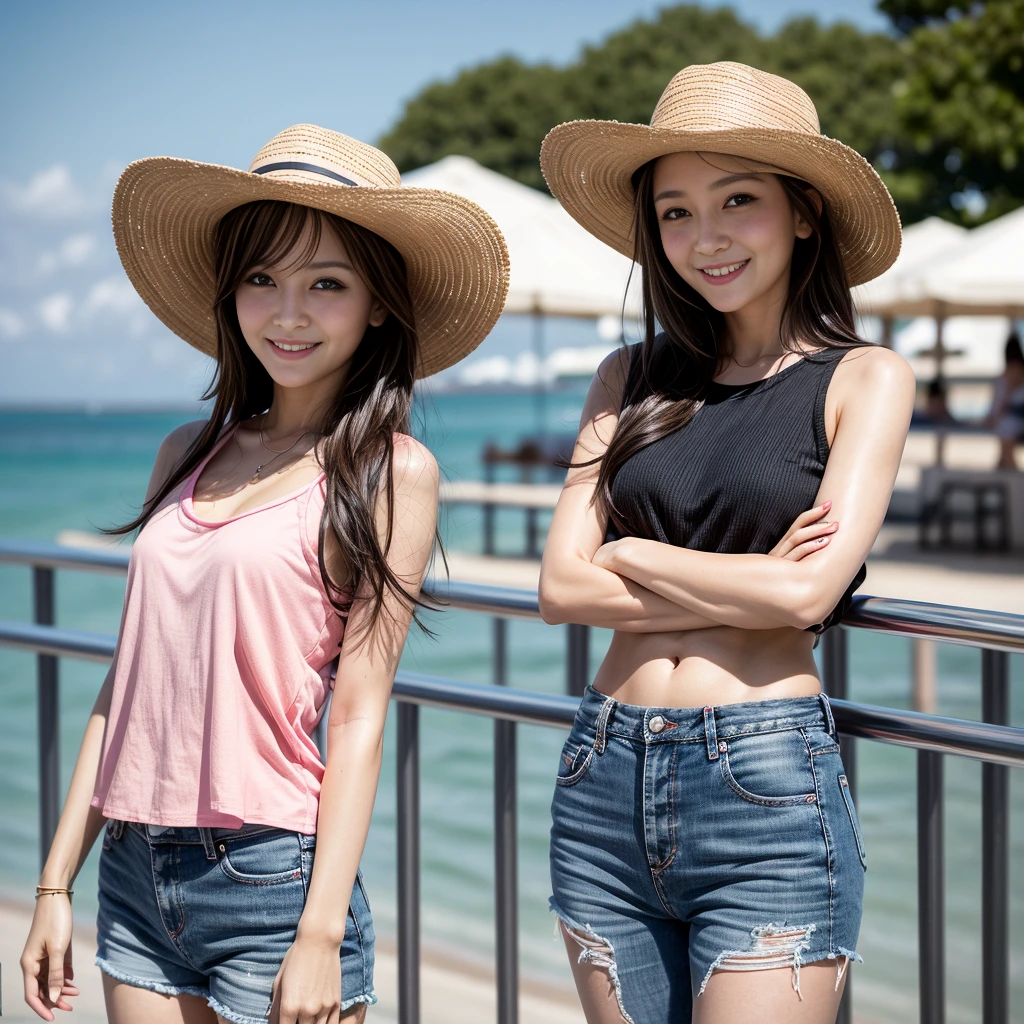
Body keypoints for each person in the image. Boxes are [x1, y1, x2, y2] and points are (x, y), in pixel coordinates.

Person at [20, 125, 508, 1024]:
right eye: (262, 279)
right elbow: (124, 686)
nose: (288, 312)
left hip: (273, 879)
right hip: (134, 868)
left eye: (327, 283)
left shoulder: (390, 472)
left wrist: (320, 933)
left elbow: (360, 711)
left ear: (378, 308)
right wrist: (56, 881)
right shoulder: (185, 452)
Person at [538, 63, 915, 1024]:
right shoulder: (629, 374)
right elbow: (558, 588)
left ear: (804, 215)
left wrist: (633, 555)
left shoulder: (865, 380)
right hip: (600, 775)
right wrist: (747, 579)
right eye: (673, 212)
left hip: (764, 787)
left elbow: (804, 598)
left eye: (737, 199)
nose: (703, 237)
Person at [986, 330, 1024, 469]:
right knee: (1005, 433)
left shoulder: (1009, 375)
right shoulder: (1006, 378)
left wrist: (993, 417)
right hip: (1010, 419)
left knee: (1007, 429)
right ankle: (1005, 470)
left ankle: (1009, 474)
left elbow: (1002, 402)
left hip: (1014, 419)